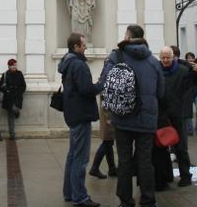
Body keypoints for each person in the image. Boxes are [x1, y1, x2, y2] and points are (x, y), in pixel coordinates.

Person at [98, 24, 164, 207]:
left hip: (122, 117)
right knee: (145, 161)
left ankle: (126, 201)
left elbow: (105, 83)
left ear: (128, 36)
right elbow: (161, 92)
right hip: (147, 118)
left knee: (124, 161)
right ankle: (148, 200)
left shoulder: (116, 56)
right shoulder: (153, 61)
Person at [58, 33, 102, 207]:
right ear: (75, 47)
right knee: (80, 158)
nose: (85, 47)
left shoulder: (67, 63)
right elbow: (86, 90)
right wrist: (100, 84)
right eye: (83, 45)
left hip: (73, 113)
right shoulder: (78, 64)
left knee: (73, 155)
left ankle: (70, 192)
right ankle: (80, 197)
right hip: (81, 114)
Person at [155, 46, 192, 190]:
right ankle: (165, 176)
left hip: (177, 113)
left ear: (173, 57)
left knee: (181, 146)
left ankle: (185, 175)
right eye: (162, 57)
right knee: (161, 146)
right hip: (161, 113)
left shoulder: (182, 71)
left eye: (167, 57)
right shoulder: (156, 70)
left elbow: (190, 88)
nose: (165, 60)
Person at [0, 58, 26, 140]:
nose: (14, 66)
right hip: (8, 97)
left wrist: (20, 91)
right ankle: (12, 134)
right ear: (9, 66)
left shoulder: (19, 73)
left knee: (15, 109)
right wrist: (6, 90)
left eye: (15, 65)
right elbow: (0, 87)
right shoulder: (5, 75)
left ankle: (17, 112)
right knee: (10, 116)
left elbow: (23, 85)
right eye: (13, 65)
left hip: (17, 97)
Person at [89, 100, 117, 179]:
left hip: (108, 115)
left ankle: (112, 168)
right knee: (107, 143)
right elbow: (106, 98)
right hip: (108, 117)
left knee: (109, 142)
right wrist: (108, 117)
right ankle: (95, 167)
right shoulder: (106, 87)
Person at [184, 52, 197, 136]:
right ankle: (189, 129)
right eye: (188, 58)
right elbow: (186, 78)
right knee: (188, 111)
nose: (190, 59)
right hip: (188, 92)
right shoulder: (185, 67)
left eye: (192, 57)